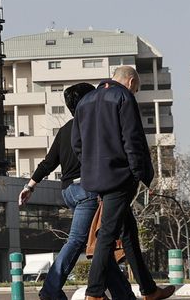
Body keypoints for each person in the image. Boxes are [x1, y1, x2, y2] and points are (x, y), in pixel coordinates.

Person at [19, 83, 133, 300]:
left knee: (101, 245)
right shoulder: (93, 126)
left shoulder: (64, 130)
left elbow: (48, 162)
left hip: (68, 192)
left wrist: (29, 187)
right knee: (78, 240)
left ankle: (124, 294)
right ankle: (50, 288)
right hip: (88, 190)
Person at [73, 66, 175, 300]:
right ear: (130, 82)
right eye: (136, 89)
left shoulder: (85, 101)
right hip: (119, 176)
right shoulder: (123, 97)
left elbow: (77, 143)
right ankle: (94, 293)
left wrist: (90, 166)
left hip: (95, 177)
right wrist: (140, 173)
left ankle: (149, 289)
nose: (135, 92)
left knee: (128, 233)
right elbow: (133, 138)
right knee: (107, 234)